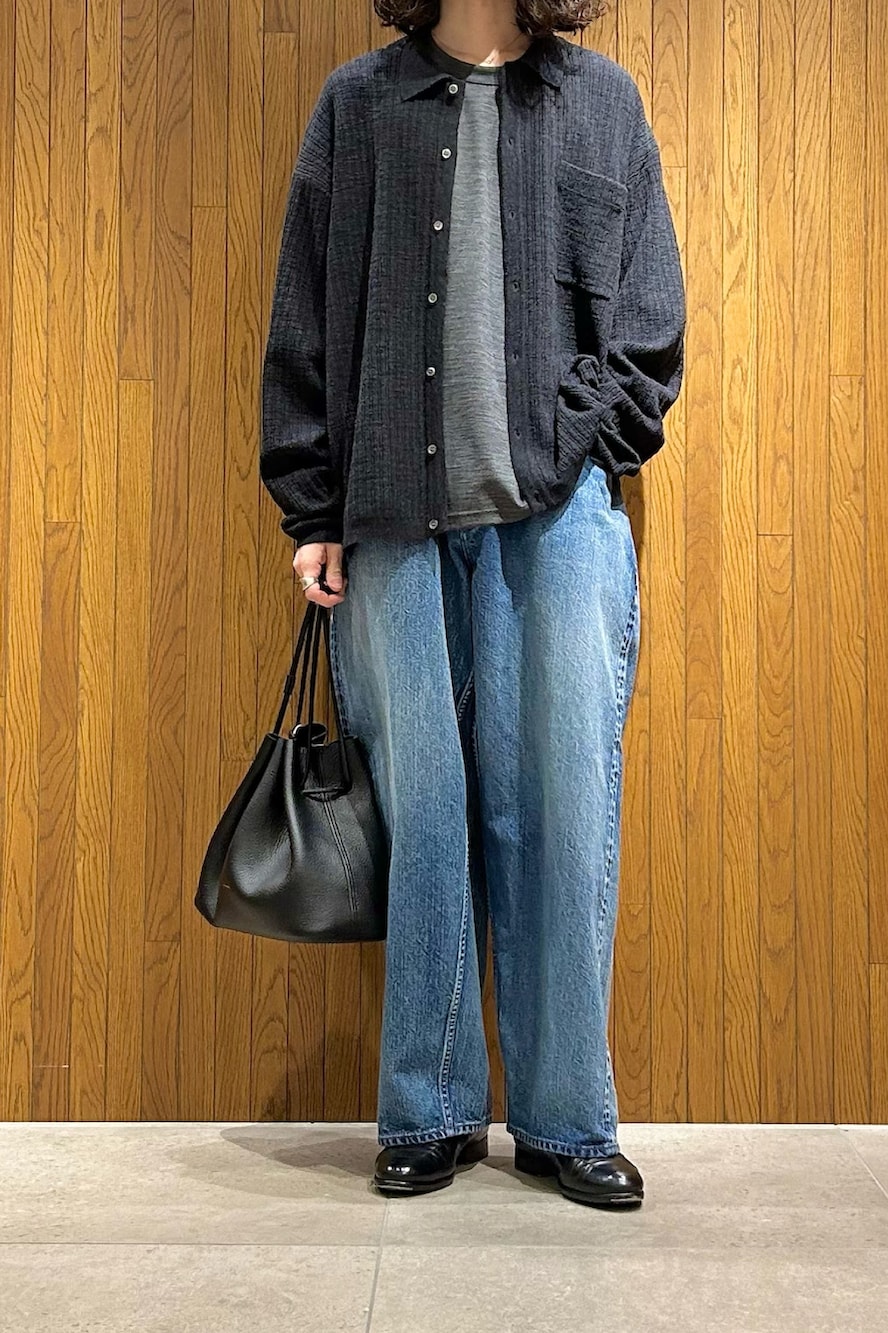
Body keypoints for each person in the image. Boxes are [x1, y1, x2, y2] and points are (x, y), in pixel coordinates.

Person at [259, 0, 685, 1209]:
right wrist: (311, 506)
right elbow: (303, 315)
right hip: (392, 513)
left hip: (559, 519)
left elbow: (650, 316)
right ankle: (428, 1109)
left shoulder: (601, 104)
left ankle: (565, 1119)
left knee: (564, 809)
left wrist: (588, 442)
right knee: (424, 818)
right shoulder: (358, 106)